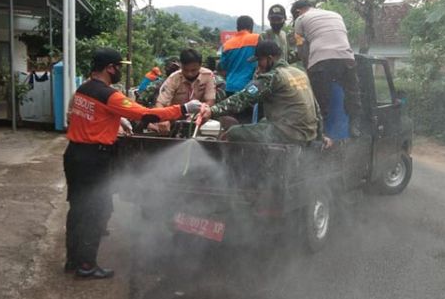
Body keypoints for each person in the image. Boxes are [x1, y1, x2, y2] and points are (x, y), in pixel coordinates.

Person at [64, 48, 201, 279]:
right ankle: (86, 266)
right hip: (93, 159)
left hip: (74, 154)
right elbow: (146, 115)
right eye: (118, 67)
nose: (119, 71)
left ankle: (73, 260)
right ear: (109, 68)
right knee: (95, 211)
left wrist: (120, 118)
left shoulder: (84, 89)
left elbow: (98, 115)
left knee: (78, 208)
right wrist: (184, 109)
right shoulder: (109, 95)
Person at [198, 40, 323, 145]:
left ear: (269, 59)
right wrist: (320, 136)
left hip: (289, 133)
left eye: (259, 60)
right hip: (308, 133)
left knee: (233, 132)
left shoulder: (272, 77)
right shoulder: (299, 73)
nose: (258, 65)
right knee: (263, 122)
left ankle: (238, 171)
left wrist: (212, 111)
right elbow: (315, 107)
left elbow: (242, 98)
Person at [291, 0, 362, 136]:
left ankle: (320, 133)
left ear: (298, 11)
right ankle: (354, 126)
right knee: (353, 93)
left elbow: (301, 48)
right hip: (347, 58)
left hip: (321, 61)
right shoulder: (335, 15)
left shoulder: (300, 19)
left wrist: (307, 69)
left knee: (320, 100)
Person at [150, 49, 216, 133]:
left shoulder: (208, 75)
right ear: (181, 66)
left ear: (200, 66)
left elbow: (210, 100)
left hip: (198, 117)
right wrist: (162, 119)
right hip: (174, 117)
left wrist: (202, 112)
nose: (189, 74)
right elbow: (160, 103)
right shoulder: (173, 78)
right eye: (186, 70)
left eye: (193, 70)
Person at [219, 15, 259, 97]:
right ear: (251, 27)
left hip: (230, 87)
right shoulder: (257, 39)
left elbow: (222, 67)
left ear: (237, 28)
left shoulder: (227, 44)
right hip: (250, 87)